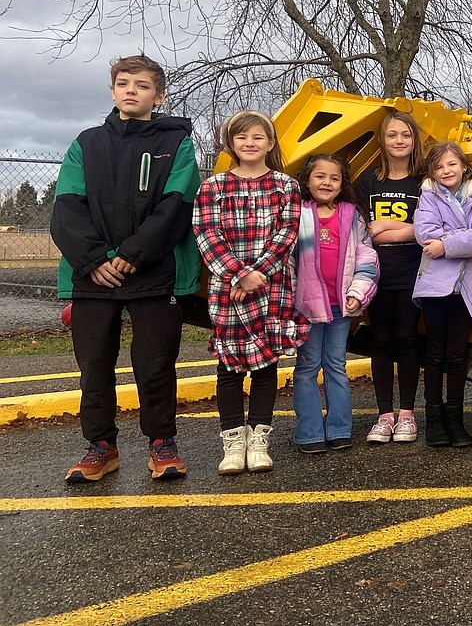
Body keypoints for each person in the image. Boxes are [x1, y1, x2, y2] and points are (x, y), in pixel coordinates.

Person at [51, 55, 201, 483]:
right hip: (93, 275)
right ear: (113, 91)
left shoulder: (178, 143)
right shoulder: (86, 143)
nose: (131, 90)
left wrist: (134, 253)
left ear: (159, 95)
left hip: (154, 272)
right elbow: (66, 208)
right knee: (94, 366)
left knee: (155, 364)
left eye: (141, 84)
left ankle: (161, 443)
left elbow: (177, 204)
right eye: (123, 83)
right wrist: (95, 259)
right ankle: (101, 446)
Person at [192, 110, 307, 475]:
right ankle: (232, 440)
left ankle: (259, 438)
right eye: (242, 138)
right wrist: (238, 275)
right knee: (229, 366)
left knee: (266, 364)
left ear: (270, 144)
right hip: (228, 287)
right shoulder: (212, 187)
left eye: (258, 137)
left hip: (271, 286)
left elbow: (286, 234)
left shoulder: (286, 186)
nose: (250, 144)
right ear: (231, 144)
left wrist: (257, 274)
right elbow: (207, 235)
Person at [292, 154, 379, 454]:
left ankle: (340, 429)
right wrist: (290, 302)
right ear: (307, 180)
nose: (326, 182)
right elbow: (287, 263)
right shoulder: (297, 214)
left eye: (334, 178)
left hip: (342, 305)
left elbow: (367, 256)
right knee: (306, 367)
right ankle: (309, 433)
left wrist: (359, 291)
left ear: (343, 184)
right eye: (320, 176)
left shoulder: (351, 215)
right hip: (307, 308)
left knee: (336, 366)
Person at [413, 142, 472, 448]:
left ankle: (456, 419)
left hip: (468, 289)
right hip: (436, 286)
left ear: (463, 166)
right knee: (435, 354)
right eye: (439, 167)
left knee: (458, 356)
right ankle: (433, 419)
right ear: (432, 172)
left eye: (451, 164)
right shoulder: (428, 198)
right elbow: (425, 233)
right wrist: (468, 243)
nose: (446, 171)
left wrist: (445, 245)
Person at [354, 111, 426, 445]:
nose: (399, 141)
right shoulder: (368, 182)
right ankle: (384, 415)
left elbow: (429, 229)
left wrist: (383, 228)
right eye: (392, 135)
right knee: (381, 340)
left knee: (408, 339)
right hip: (374, 274)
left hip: (414, 271)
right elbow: (362, 232)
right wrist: (403, 230)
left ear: (415, 141)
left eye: (406, 135)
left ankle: (408, 415)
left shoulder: (425, 181)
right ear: (382, 140)